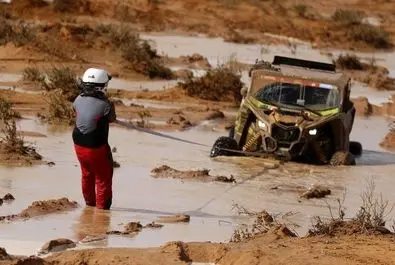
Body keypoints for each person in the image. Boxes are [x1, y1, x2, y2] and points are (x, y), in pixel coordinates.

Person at [72, 68, 116, 210]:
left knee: (87, 173)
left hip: (78, 144)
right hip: (96, 147)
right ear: (102, 86)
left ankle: (89, 207)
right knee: (103, 178)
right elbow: (111, 119)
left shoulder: (77, 99)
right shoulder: (106, 104)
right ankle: (102, 213)